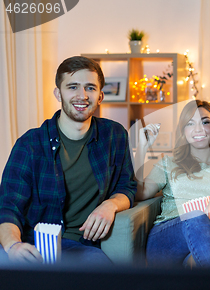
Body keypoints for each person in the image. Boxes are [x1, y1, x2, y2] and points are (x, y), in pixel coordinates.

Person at [0, 56, 137, 264]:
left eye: (90, 88)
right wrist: (13, 245)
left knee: (104, 275)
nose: (82, 96)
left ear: (100, 96)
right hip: (32, 243)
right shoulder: (30, 144)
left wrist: (111, 205)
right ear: (58, 93)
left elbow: (127, 186)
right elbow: (8, 207)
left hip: (80, 246)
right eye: (72, 87)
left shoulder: (115, 135)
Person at [134, 100, 210, 268]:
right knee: (196, 215)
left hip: (207, 240)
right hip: (166, 241)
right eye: (190, 123)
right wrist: (142, 148)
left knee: (195, 263)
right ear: (183, 131)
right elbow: (139, 192)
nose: (198, 129)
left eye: (205, 122)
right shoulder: (169, 163)